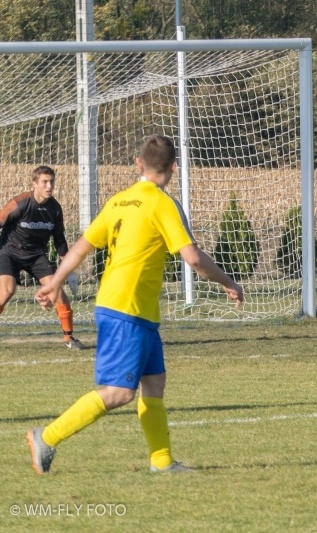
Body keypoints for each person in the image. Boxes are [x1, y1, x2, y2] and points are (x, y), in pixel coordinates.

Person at [26, 135, 244, 475]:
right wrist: (228, 281)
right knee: (118, 393)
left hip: (135, 310)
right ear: (174, 167)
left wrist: (54, 282)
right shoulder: (161, 203)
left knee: (154, 383)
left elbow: (83, 246)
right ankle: (47, 437)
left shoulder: (120, 200)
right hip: (125, 310)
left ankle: (162, 462)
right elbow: (192, 258)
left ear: (138, 163)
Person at [0, 166, 83, 348]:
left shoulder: (55, 209)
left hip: (36, 255)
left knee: (57, 291)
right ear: (34, 184)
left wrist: (69, 272)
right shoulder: (20, 203)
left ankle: (69, 338)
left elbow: (60, 240)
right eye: (44, 182)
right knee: (7, 291)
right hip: (9, 252)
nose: (49, 186)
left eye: (51, 181)